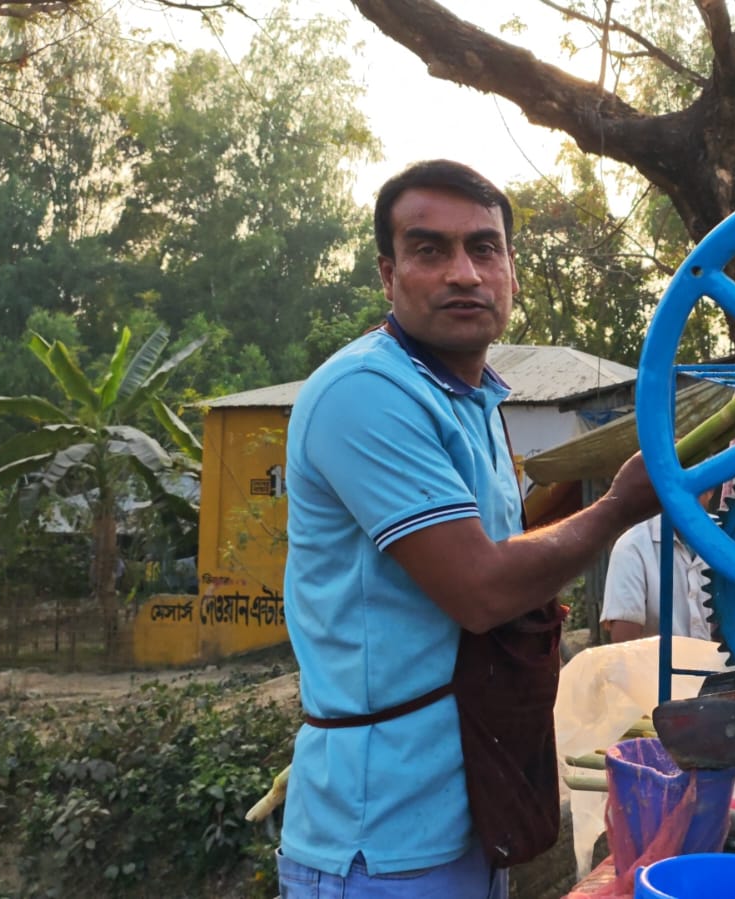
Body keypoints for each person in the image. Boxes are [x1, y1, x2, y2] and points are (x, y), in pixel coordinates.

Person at [277, 160, 661, 899]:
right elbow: (482, 589)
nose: (464, 272)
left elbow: (506, 552)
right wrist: (619, 505)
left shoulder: (472, 399)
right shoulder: (367, 392)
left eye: (484, 248)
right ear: (387, 275)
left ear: (511, 269)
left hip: (469, 814)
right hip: (381, 837)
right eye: (430, 250)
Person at [600, 490, 717, 642]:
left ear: (711, 490)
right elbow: (625, 645)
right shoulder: (633, 547)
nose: (686, 492)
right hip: (655, 665)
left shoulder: (730, 536)